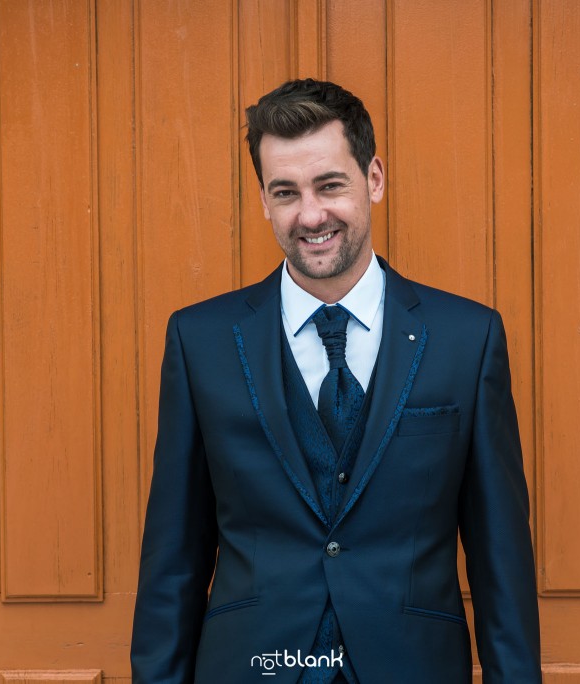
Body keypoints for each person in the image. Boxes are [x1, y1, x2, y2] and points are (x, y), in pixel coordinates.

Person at [131, 78, 541, 683]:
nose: (311, 214)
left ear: (373, 179)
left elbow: (500, 559)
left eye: (330, 185)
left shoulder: (467, 338)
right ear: (264, 201)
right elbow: (174, 559)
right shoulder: (201, 341)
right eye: (286, 192)